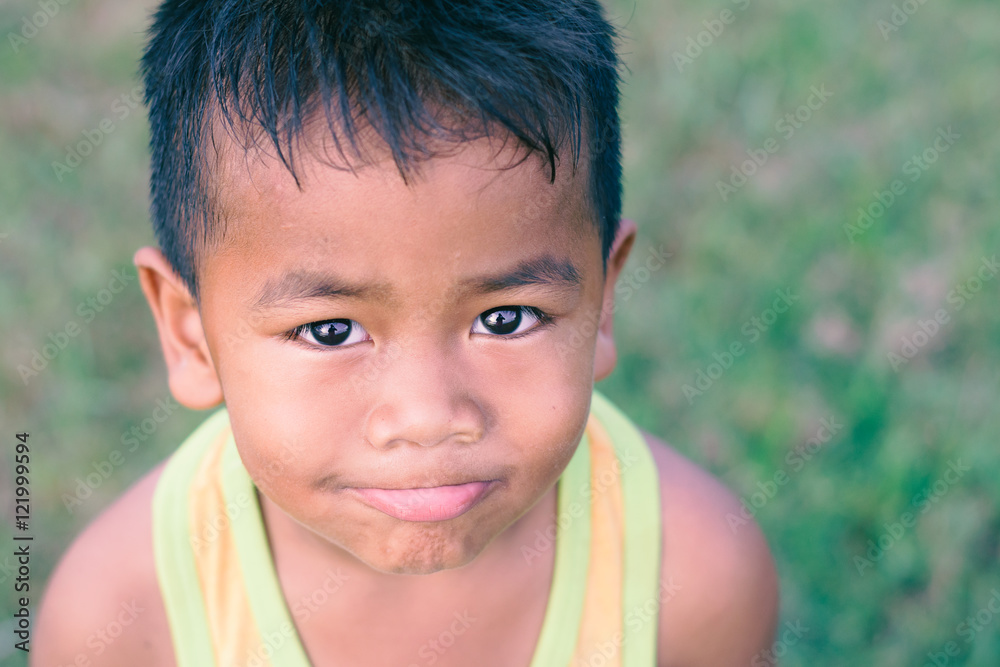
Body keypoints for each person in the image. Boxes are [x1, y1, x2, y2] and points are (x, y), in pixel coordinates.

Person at [34, 1, 779, 665]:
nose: (428, 416)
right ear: (189, 334)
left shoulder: (694, 578)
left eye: (506, 318)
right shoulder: (125, 622)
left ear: (603, 301)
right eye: (329, 330)